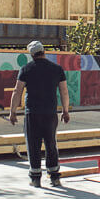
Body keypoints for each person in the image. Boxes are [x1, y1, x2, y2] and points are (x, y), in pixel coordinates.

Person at [9, 40, 70, 188]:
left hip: (32, 113)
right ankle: (54, 176)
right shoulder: (57, 69)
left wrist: (12, 112)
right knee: (51, 143)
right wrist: (65, 110)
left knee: (33, 144)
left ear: (32, 55)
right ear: (44, 51)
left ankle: (35, 178)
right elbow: (64, 91)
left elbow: (17, 91)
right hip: (50, 113)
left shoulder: (26, 69)